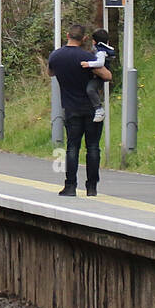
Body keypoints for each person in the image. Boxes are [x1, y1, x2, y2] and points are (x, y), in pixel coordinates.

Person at [47, 24, 112, 197]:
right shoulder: (87, 56)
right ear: (84, 39)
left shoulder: (55, 56)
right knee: (92, 147)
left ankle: (70, 186)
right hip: (92, 109)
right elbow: (107, 75)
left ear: (67, 35)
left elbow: (50, 73)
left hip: (71, 108)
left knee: (72, 147)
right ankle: (91, 187)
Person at [82, 28, 118, 123]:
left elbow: (100, 63)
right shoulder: (100, 49)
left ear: (95, 41)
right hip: (97, 76)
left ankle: (99, 109)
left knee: (90, 89)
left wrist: (88, 64)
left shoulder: (101, 51)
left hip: (100, 77)